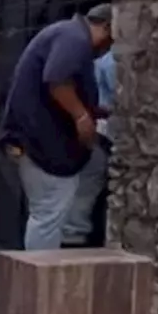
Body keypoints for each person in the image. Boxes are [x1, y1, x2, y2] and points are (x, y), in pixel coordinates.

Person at [0, 4, 113, 250]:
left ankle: (72, 236)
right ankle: (41, 278)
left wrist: (96, 111)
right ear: (106, 27)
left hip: (39, 140)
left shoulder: (67, 34)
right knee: (47, 213)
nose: (108, 49)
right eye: (111, 40)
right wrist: (82, 116)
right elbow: (57, 79)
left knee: (94, 164)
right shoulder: (74, 38)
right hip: (41, 145)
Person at [62, 47, 116, 247]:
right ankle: (74, 241)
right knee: (86, 194)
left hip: (93, 135)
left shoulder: (97, 64)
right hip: (103, 135)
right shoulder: (112, 63)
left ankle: (73, 238)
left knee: (81, 194)